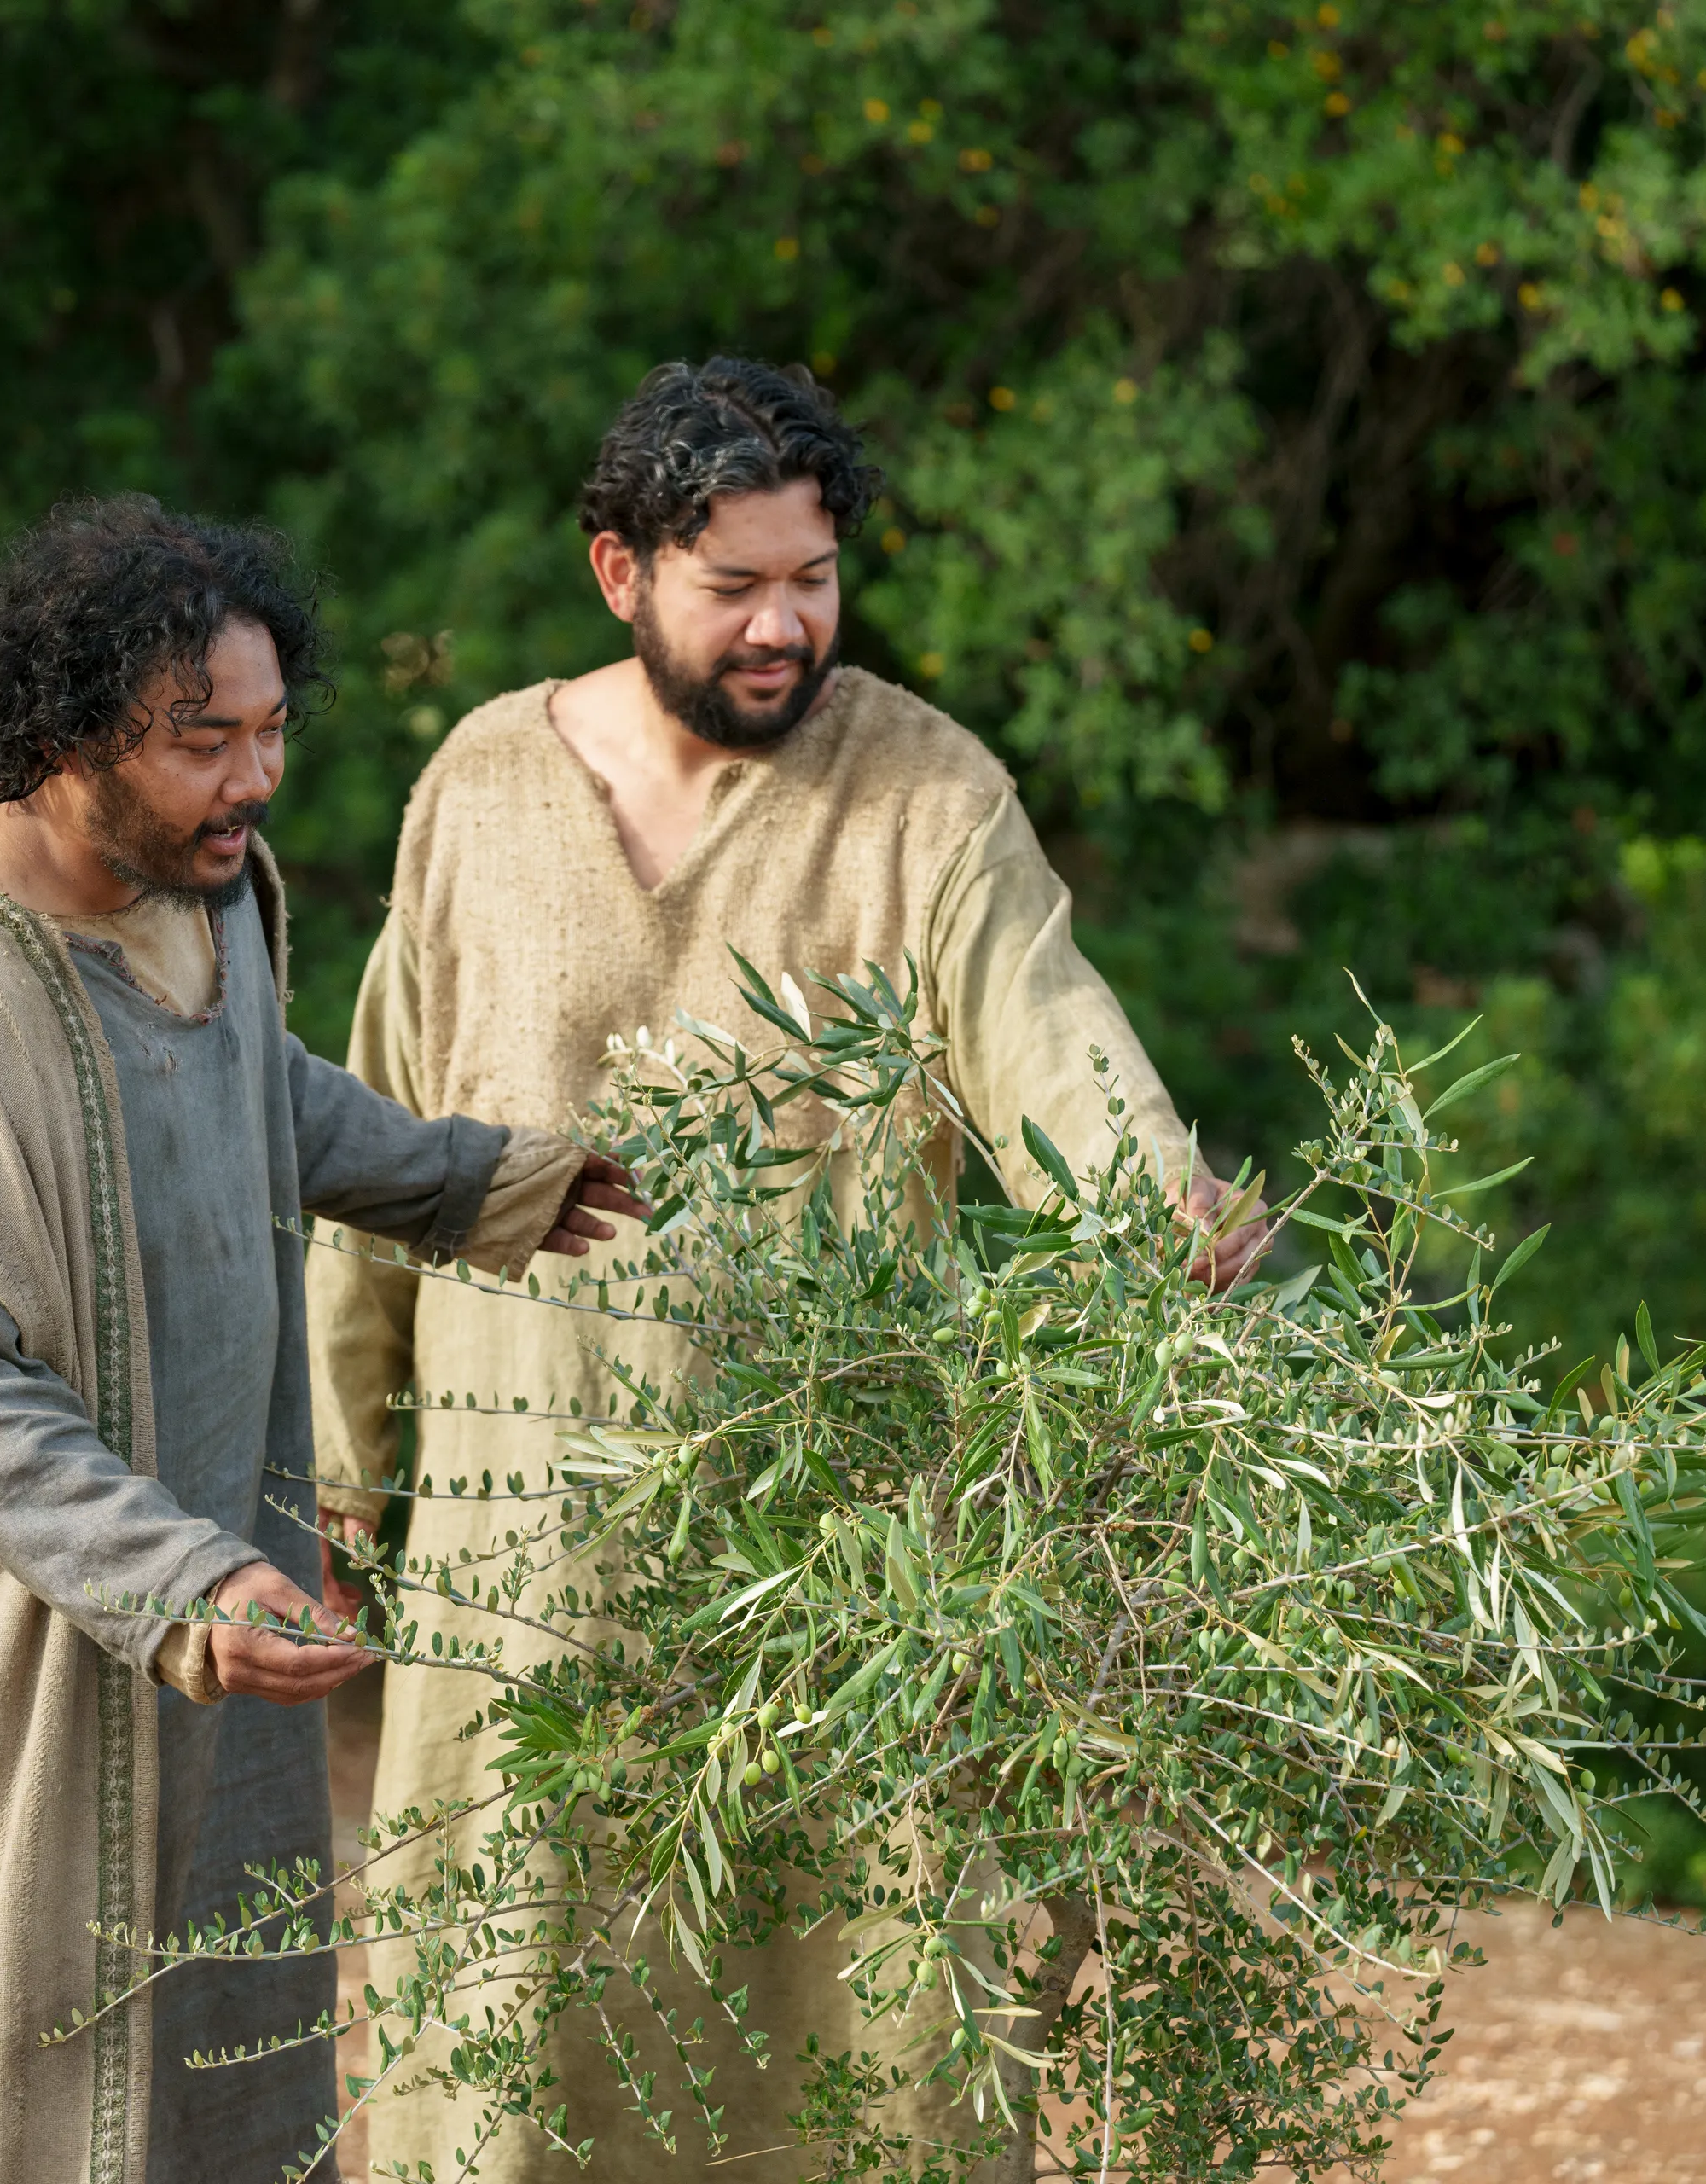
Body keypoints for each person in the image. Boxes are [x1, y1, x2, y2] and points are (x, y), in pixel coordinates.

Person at [307, 357, 1264, 2181]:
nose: (782, 623)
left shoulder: (924, 791)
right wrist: (333, 1470)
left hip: (841, 1553)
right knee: (511, 2054)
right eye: (733, 584)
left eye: (811, 577)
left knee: (863, 2060)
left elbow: (1049, 1038)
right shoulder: (484, 786)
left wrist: (1159, 1210)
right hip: (528, 1554)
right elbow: (374, 1138)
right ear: (618, 573)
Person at [0, 496, 641, 2184]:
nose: (254, 779)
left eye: (272, 729)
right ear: (64, 736)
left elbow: (253, 1094)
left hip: (212, 1634)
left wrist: (467, 1180)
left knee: (215, 2069)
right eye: (201, 739)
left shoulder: (201, 886)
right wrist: (182, 1585)